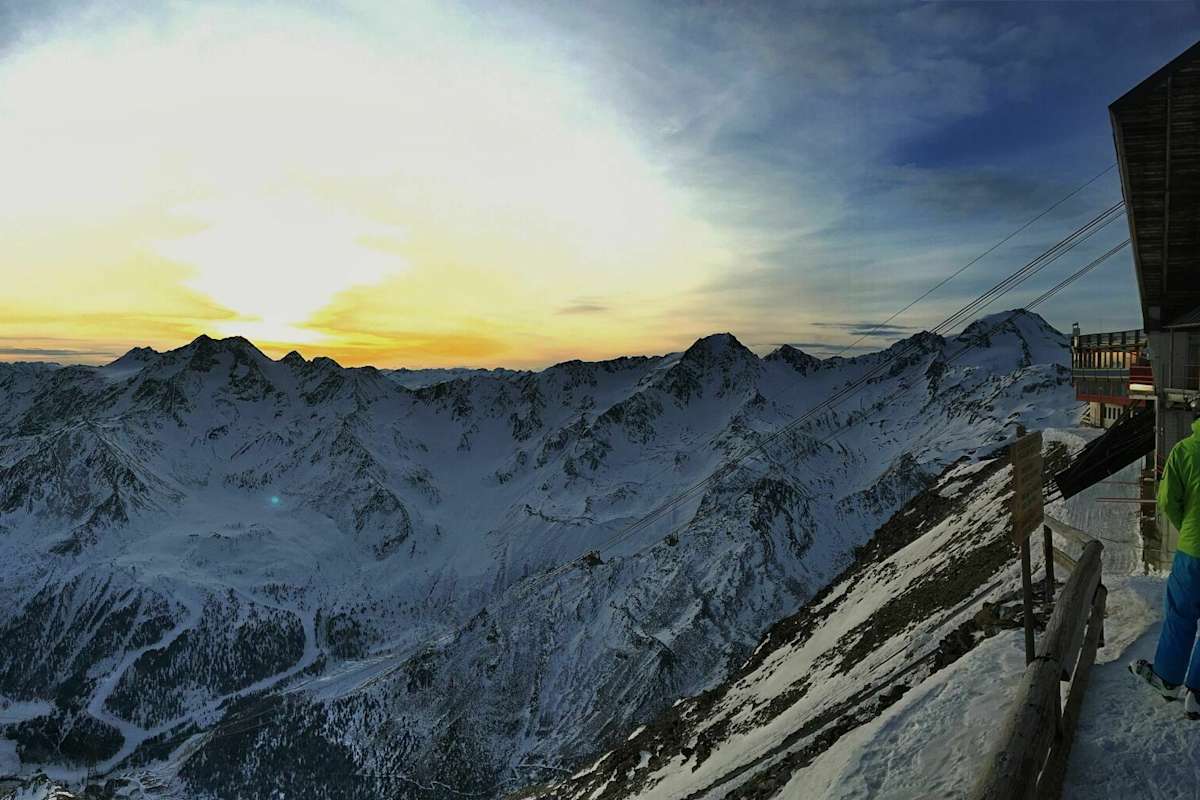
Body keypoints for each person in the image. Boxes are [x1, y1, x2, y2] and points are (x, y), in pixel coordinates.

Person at [1132, 409, 1200, 720]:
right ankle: (1196, 695)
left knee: (1180, 615)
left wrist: (1186, 524)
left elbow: (1167, 499)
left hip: (1192, 550)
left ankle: (1169, 680)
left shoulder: (1185, 450)